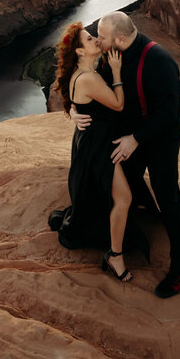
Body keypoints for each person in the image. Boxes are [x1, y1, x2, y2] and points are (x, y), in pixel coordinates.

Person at [74, 11, 180, 298]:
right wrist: (74, 111)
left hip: (160, 137)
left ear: (121, 38)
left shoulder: (159, 61)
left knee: (168, 194)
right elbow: (83, 84)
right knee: (118, 180)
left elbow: (171, 113)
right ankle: (137, 221)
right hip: (130, 132)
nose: (98, 40)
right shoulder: (110, 54)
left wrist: (136, 140)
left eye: (101, 37)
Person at [52, 21, 145, 282]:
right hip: (97, 148)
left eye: (94, 36)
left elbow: (76, 101)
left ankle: (113, 245)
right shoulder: (90, 78)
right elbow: (117, 104)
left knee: (107, 197)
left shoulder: (81, 72)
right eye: (89, 39)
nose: (95, 39)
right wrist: (116, 72)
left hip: (88, 142)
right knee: (123, 198)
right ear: (80, 52)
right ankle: (115, 255)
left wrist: (73, 111)